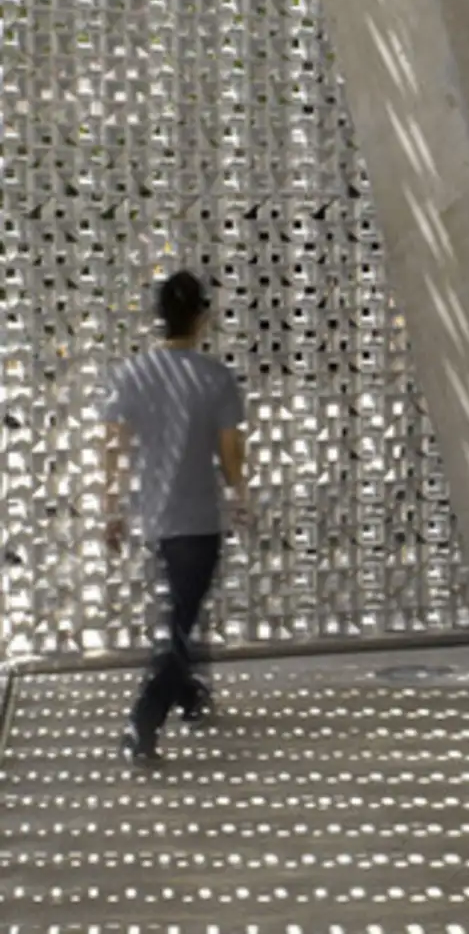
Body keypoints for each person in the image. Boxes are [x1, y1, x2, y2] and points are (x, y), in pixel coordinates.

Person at [103, 269, 247, 769]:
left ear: (159, 317)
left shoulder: (131, 374)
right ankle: (142, 723)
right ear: (202, 317)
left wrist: (113, 507)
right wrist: (240, 493)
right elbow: (230, 449)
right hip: (198, 518)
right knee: (180, 624)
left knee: (180, 611)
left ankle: (190, 696)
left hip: (154, 516)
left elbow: (115, 448)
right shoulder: (215, 376)